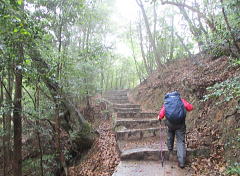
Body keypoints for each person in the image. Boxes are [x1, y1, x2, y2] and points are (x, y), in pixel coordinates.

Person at [157, 91, 193, 168]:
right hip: (180, 124)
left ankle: (170, 148)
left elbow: (162, 113)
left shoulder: (167, 102)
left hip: (170, 123)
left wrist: (159, 117)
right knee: (180, 141)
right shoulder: (180, 100)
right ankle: (182, 162)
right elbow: (190, 107)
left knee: (170, 132)